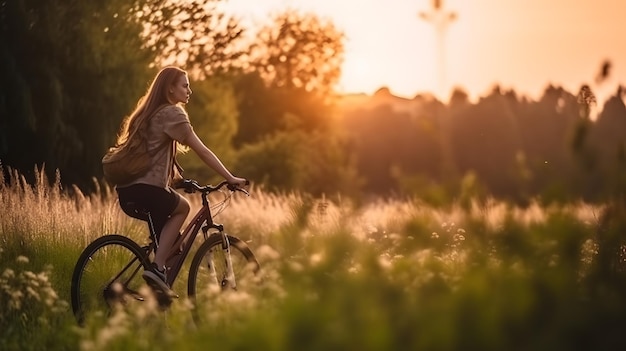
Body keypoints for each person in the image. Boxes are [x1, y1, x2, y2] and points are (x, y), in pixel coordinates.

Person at [113, 66, 247, 297]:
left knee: (175, 248)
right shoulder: (172, 113)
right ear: (170, 88)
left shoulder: (148, 114)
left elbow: (152, 157)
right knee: (183, 207)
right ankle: (156, 269)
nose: (189, 91)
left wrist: (179, 182)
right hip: (149, 192)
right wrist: (230, 178)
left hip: (129, 192)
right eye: (185, 85)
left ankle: (157, 298)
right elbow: (202, 151)